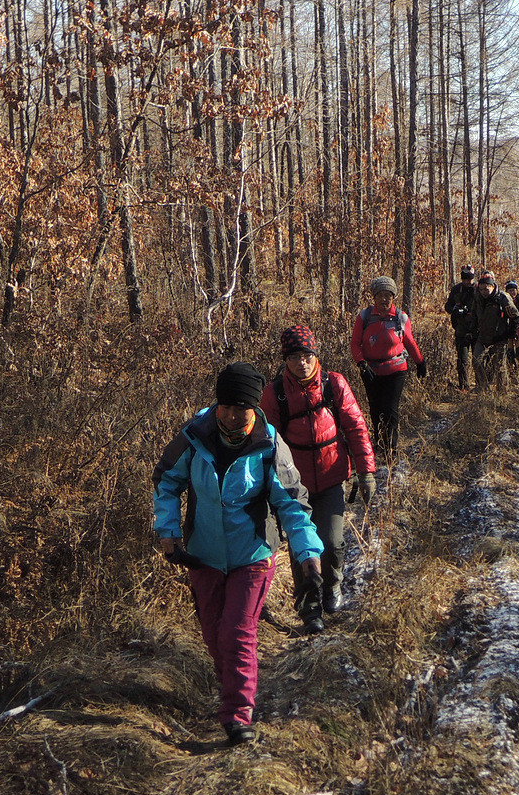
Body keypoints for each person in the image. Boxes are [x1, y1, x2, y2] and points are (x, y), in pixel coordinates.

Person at [153, 362, 324, 746]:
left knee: (237, 631)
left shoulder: (269, 445)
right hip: (202, 555)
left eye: (241, 409)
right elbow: (165, 481)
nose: (232, 415)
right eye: (226, 406)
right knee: (215, 637)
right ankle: (230, 682)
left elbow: (292, 504)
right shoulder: (194, 434)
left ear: (254, 409)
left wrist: (309, 555)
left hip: (253, 555)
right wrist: (168, 532)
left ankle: (237, 714)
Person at [261, 325, 377, 634]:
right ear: (285, 360)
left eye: (307, 355)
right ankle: (309, 608)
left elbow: (355, 425)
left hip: (331, 479)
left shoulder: (334, 384)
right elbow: (265, 443)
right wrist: (265, 488)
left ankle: (332, 587)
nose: (302, 363)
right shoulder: (275, 394)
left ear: (317, 356)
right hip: (292, 487)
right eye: (295, 357)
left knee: (331, 542)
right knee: (303, 547)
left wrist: (366, 472)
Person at [351, 276, 426, 457]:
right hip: (370, 371)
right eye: (381, 295)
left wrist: (420, 362)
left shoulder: (401, 317)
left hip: (396, 370)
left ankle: (391, 449)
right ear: (374, 297)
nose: (384, 299)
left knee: (390, 409)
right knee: (375, 409)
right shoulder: (365, 316)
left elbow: (409, 342)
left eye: (388, 296)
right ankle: (379, 444)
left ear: (393, 298)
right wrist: (361, 363)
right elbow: (355, 344)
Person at [470, 270, 519, 390]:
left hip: (499, 338)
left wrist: (510, 334)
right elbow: (473, 316)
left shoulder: (502, 298)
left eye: (486, 289)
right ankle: (483, 389)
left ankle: (502, 394)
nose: (483, 292)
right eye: (481, 289)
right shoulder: (477, 298)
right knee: (477, 361)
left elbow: (516, 316)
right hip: (482, 337)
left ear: (492, 286)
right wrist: (471, 331)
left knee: (499, 367)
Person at [443, 264, 478, 389]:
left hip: (477, 330)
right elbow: (447, 306)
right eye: (465, 279)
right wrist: (455, 309)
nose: (468, 281)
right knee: (463, 360)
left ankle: (481, 385)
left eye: (470, 279)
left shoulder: (479, 289)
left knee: (478, 360)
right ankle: (463, 386)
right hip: (461, 330)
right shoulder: (457, 290)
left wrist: (473, 313)